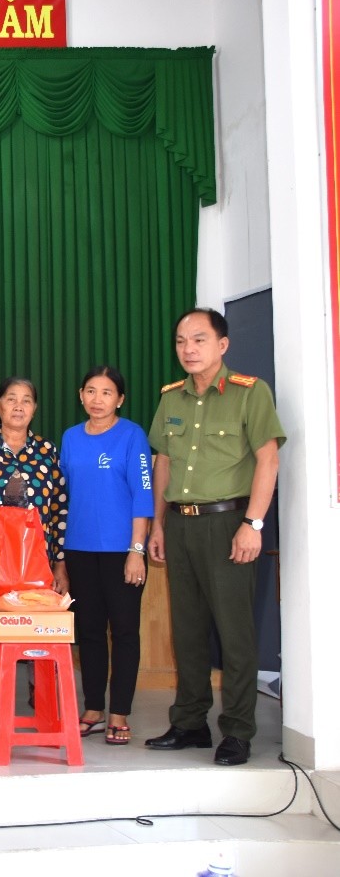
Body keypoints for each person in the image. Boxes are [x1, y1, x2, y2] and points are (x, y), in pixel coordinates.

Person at [144, 308, 284, 766]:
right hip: (180, 524)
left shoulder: (250, 393)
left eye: (199, 340)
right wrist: (159, 524)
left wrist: (254, 524)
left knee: (234, 632)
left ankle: (238, 731)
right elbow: (164, 463)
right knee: (187, 631)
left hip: (229, 524)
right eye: (181, 341)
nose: (188, 349)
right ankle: (189, 722)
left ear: (222, 345)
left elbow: (268, 460)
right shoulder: (172, 398)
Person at [60, 366, 154, 746]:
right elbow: (64, 495)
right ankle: (94, 709)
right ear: (80, 395)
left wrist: (137, 551)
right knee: (89, 631)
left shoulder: (132, 435)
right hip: (79, 550)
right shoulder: (70, 437)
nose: (97, 399)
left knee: (125, 631)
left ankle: (120, 713)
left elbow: (143, 495)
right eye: (91, 391)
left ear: (120, 399)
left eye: (106, 392)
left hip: (121, 552)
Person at [0, 376, 68, 598]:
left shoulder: (47, 451)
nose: (19, 406)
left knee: (30, 620)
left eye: (26, 401)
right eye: (11, 399)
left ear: (34, 409)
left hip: (36, 567)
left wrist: (60, 564)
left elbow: (59, 511)